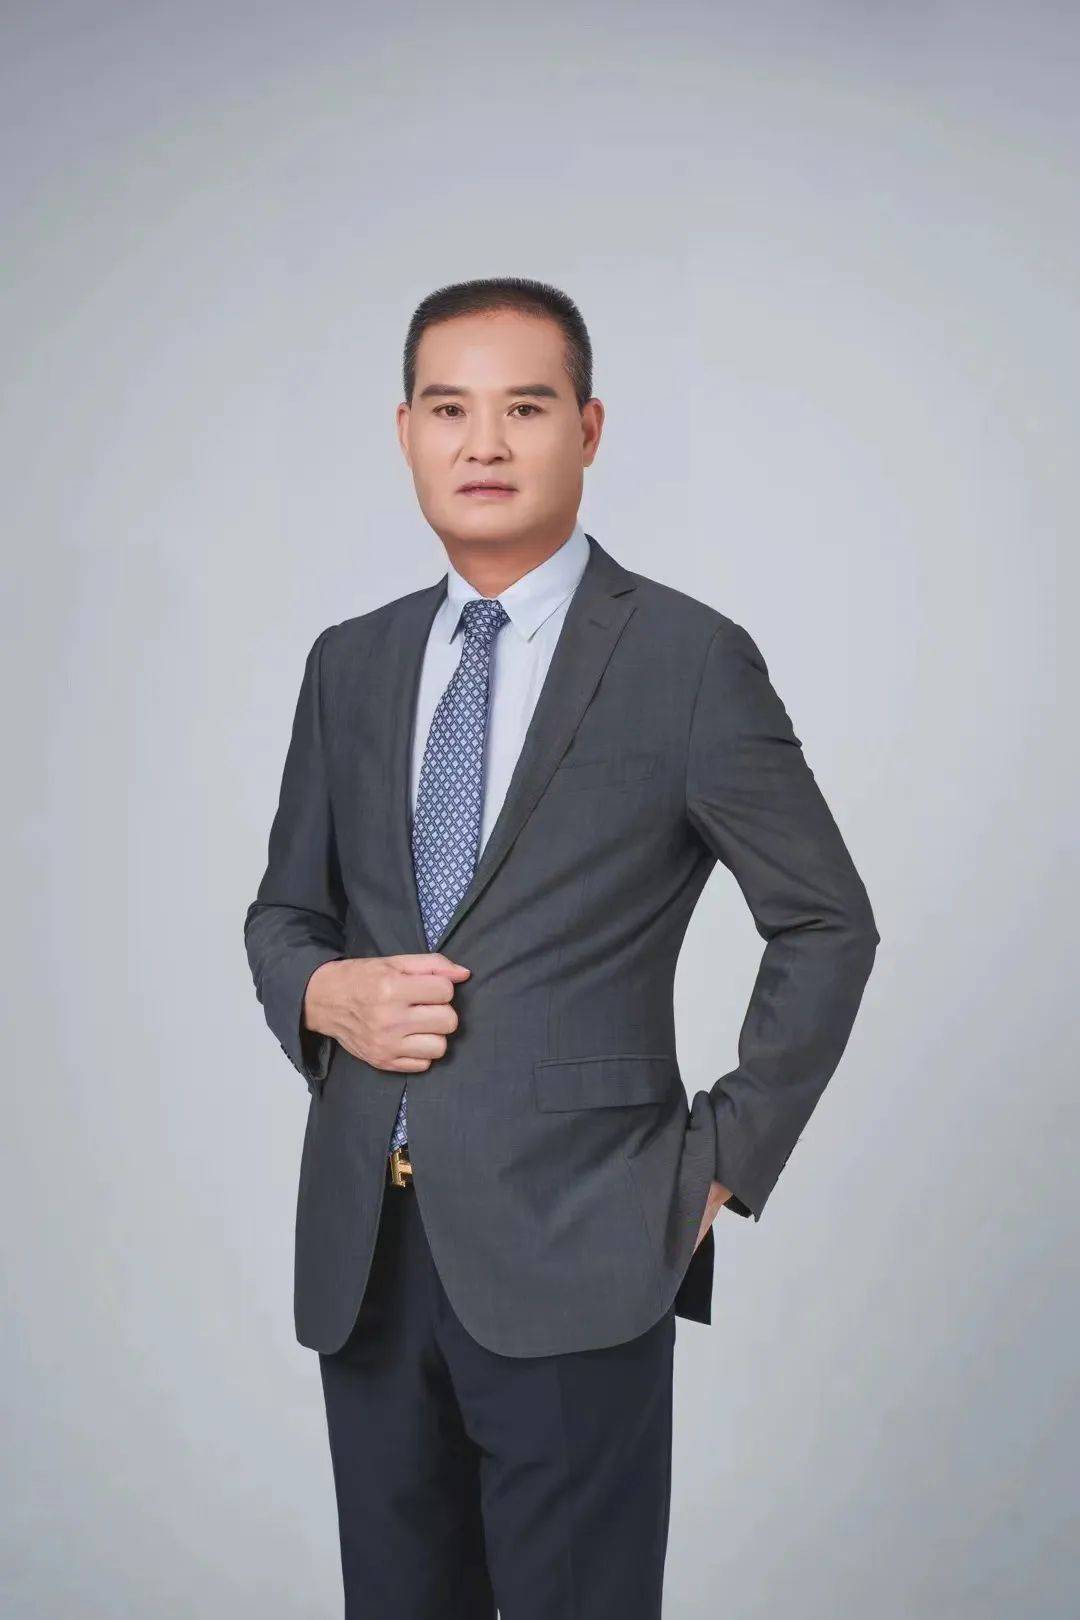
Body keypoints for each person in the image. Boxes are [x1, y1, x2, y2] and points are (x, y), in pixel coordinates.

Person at [243, 276, 879, 1618]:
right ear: (405, 432)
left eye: (524, 408)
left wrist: (717, 1164)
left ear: (587, 429)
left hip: (587, 1238)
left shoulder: (687, 659)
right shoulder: (348, 664)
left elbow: (826, 922)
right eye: (448, 409)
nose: (483, 443)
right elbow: (285, 915)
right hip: (366, 1251)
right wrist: (323, 993)